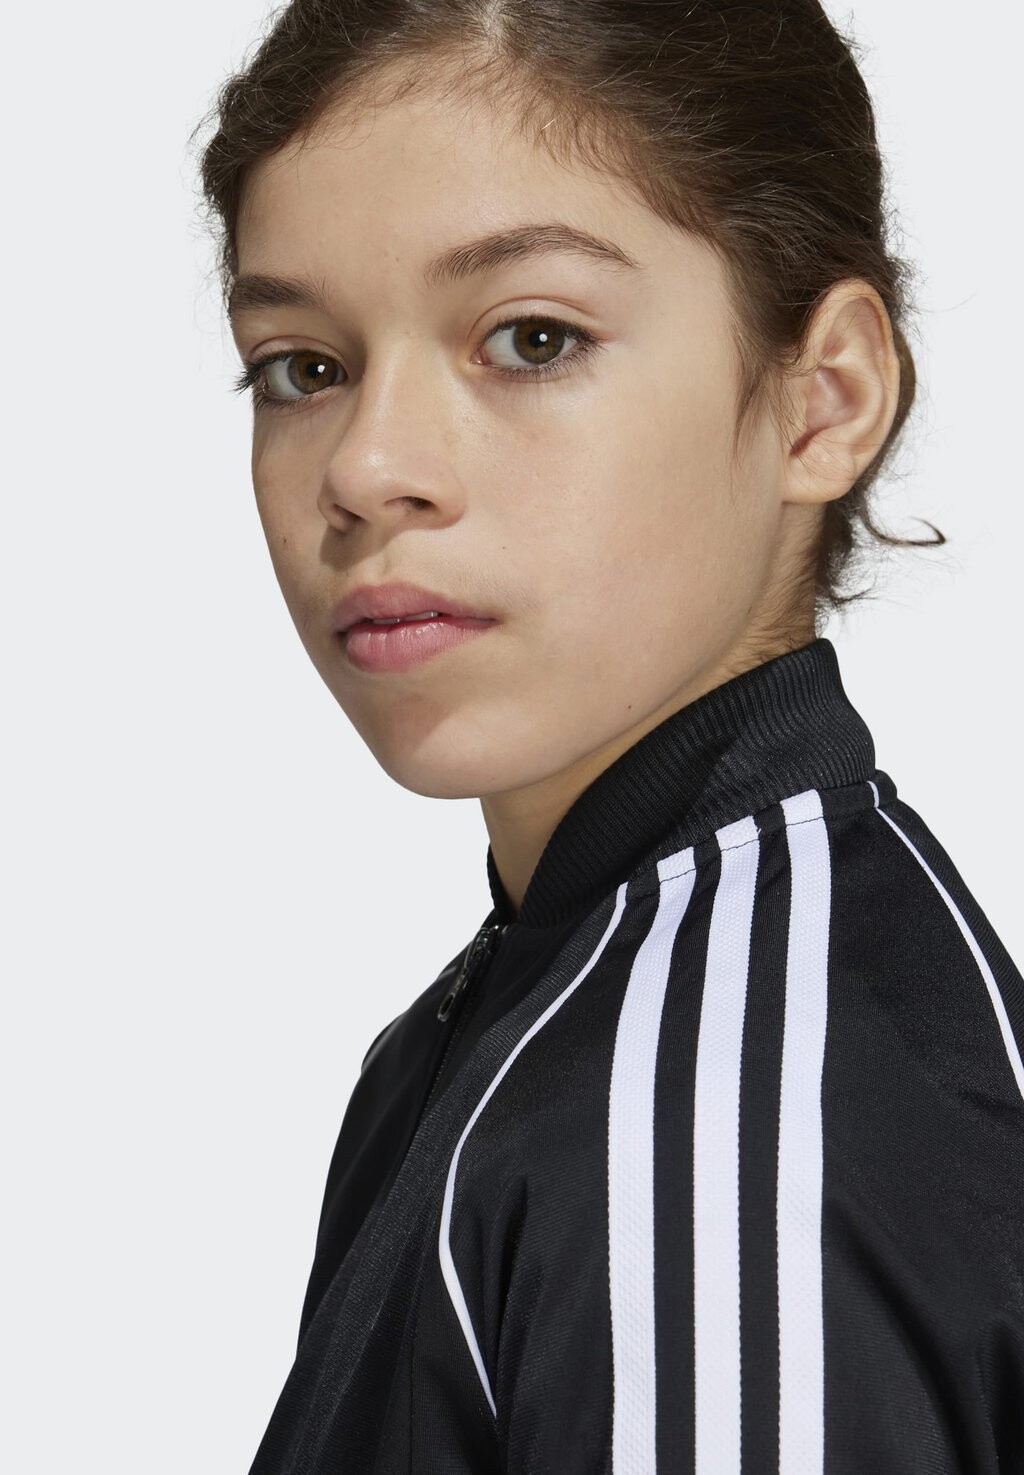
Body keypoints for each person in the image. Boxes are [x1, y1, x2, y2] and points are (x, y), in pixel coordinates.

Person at [190, 2, 1023, 1469]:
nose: (368, 468)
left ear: (823, 402)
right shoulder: (539, 1019)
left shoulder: (714, 1133)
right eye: (303, 366)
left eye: (533, 338)